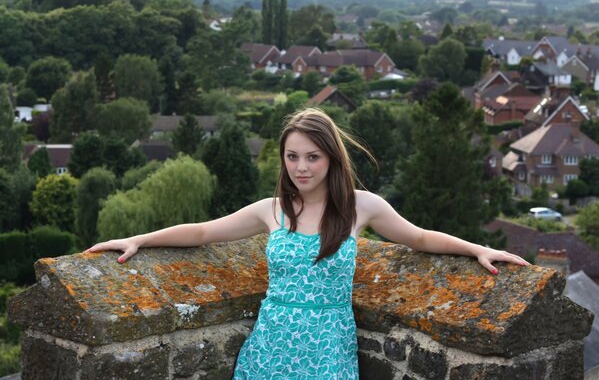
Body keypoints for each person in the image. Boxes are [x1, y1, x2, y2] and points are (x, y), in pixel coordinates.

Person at [87, 108, 529, 379]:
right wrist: (137, 239)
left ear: (331, 158)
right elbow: (203, 232)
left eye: (313, 157)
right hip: (271, 342)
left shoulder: (362, 206)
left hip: (326, 346)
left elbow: (419, 238)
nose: (302, 167)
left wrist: (475, 249)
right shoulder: (272, 209)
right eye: (293, 156)